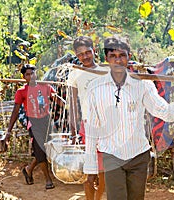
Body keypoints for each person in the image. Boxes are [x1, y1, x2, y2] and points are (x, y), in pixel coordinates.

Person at [83, 35, 174, 199]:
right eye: (113, 56)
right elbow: (92, 129)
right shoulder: (95, 88)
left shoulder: (142, 84)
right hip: (111, 155)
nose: (118, 61)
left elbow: (165, 112)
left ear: (129, 57)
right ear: (106, 58)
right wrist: (90, 169)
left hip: (139, 155)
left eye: (122, 56)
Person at [67, 36, 107, 200]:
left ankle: (97, 198)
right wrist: (72, 129)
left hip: (107, 127)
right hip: (88, 127)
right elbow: (72, 104)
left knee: (104, 172)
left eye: (87, 52)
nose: (85, 57)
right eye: (81, 54)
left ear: (94, 50)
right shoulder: (75, 74)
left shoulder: (105, 72)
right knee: (89, 174)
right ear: (76, 55)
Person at [6, 64, 55, 190]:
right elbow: (16, 111)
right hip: (33, 123)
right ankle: (48, 179)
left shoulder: (46, 86)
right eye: (27, 74)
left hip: (46, 121)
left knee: (47, 149)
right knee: (40, 150)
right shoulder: (21, 92)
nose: (31, 76)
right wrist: (8, 131)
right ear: (24, 77)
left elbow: (57, 100)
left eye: (32, 73)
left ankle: (28, 169)